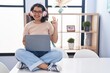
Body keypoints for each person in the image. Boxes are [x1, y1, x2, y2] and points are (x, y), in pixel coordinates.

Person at [15, 3, 63, 72]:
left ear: (44, 13)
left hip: (45, 53)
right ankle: (47, 66)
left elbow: (54, 40)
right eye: (35, 11)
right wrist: (28, 43)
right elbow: (24, 41)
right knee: (18, 52)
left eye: (39, 12)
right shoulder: (28, 26)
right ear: (31, 13)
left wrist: (55, 27)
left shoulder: (48, 24)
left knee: (59, 54)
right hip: (31, 53)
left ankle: (28, 64)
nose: (37, 14)